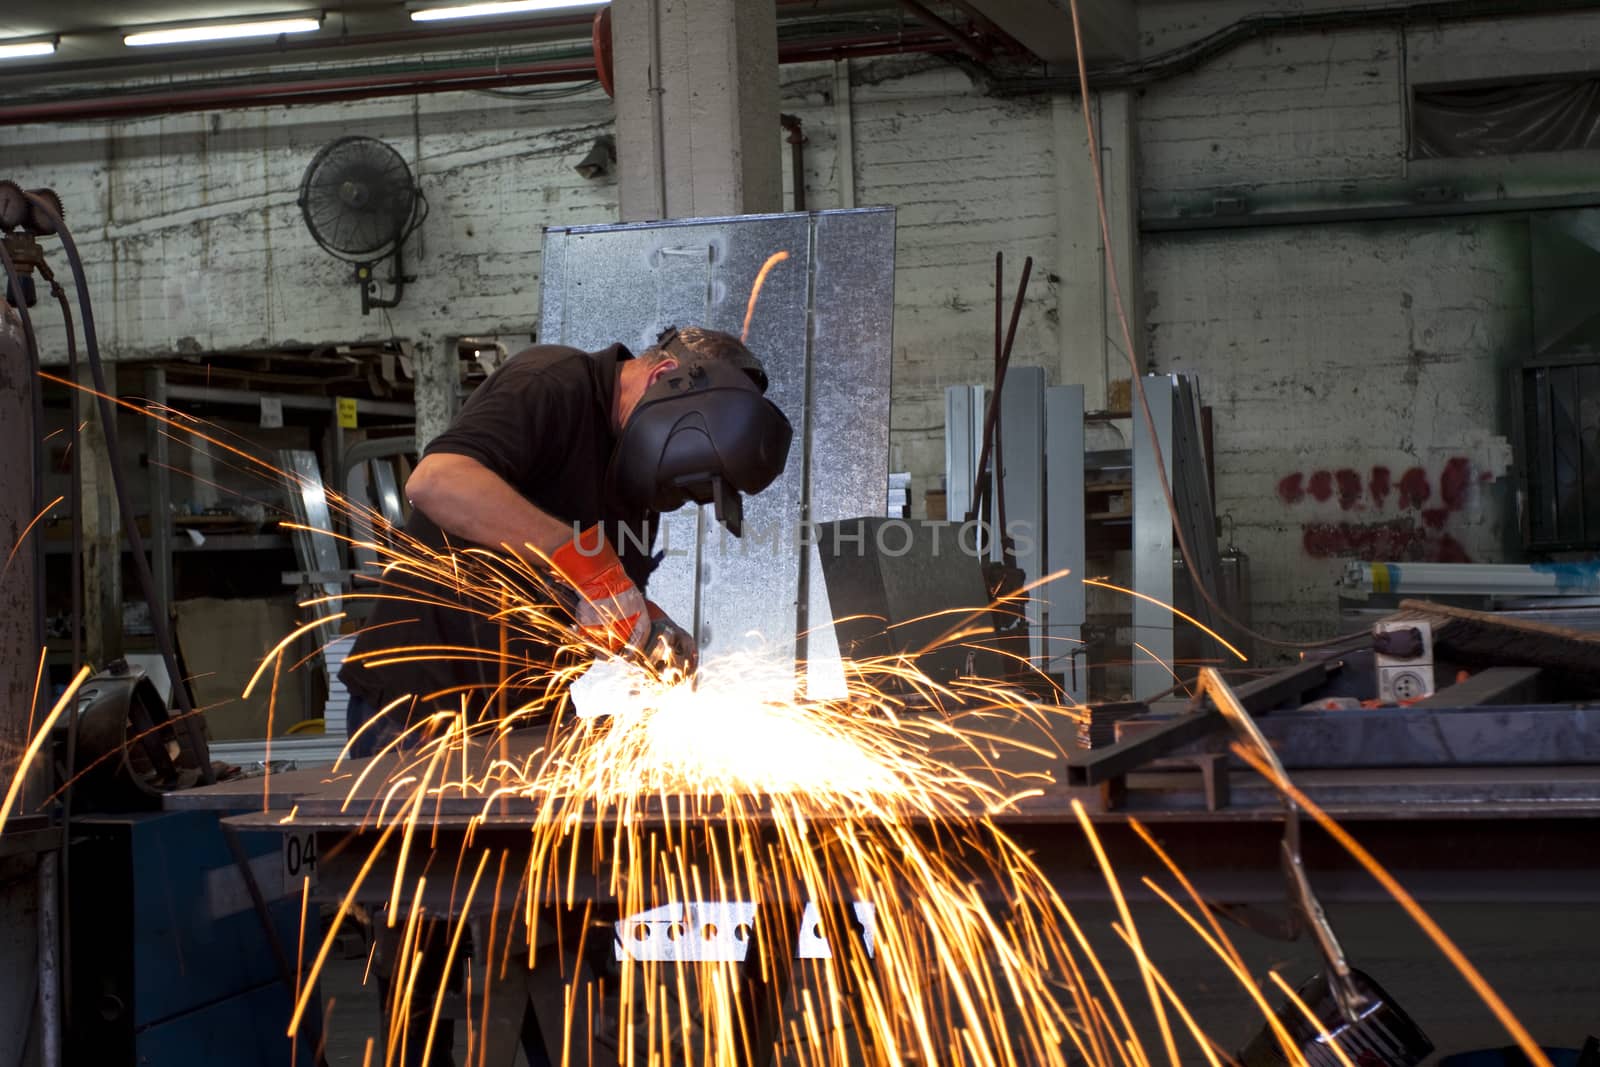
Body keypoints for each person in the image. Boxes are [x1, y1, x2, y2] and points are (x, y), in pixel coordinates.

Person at [337, 325, 792, 1066]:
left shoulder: (634, 487)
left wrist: (658, 635)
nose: (677, 501)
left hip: (514, 729)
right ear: (668, 377)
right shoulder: (552, 382)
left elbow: (604, 612)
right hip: (420, 710)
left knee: (553, 952)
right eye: (686, 479)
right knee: (425, 960)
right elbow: (438, 482)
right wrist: (580, 561)